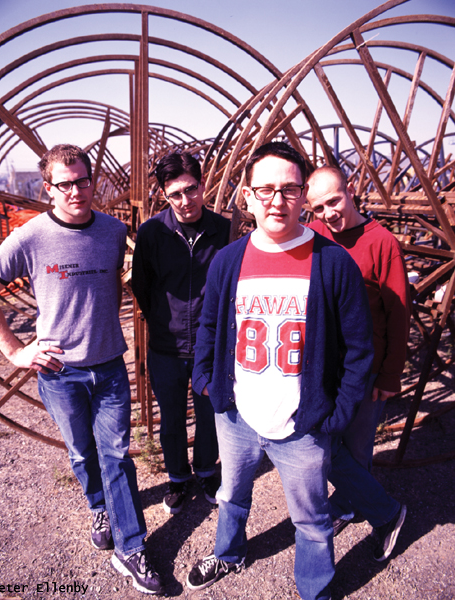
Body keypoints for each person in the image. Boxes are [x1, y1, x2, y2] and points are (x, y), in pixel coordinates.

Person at [185, 142, 374, 600]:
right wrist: (206, 381)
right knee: (231, 495)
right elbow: (209, 326)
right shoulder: (229, 260)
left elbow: (359, 349)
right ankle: (228, 554)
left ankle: (315, 589)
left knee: (311, 519)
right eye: (265, 189)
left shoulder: (332, 262)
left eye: (289, 189)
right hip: (237, 414)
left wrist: (335, 414)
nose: (277, 200)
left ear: (303, 195)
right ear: (247, 197)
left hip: (302, 424)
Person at [0, 145, 163, 595]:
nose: (76, 191)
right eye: (65, 184)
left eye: (82, 181)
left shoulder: (114, 231)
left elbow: (126, 278)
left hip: (110, 366)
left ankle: (131, 547)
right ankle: (99, 507)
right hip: (60, 373)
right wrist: (16, 352)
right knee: (82, 453)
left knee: (116, 455)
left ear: (92, 181)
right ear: (49, 189)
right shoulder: (30, 237)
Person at [307, 165, 410, 560]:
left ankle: (361, 508)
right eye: (319, 208)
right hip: (325, 365)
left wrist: (390, 375)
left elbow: (398, 313)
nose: (329, 213)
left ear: (350, 191)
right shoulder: (314, 236)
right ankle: (357, 504)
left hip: (366, 368)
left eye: (334, 201)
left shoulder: (381, 242)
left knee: (357, 446)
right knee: (325, 445)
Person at [132, 151, 231, 515]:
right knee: (171, 417)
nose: (185, 200)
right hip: (166, 345)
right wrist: (162, 319)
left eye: (191, 190)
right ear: (164, 194)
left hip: (209, 345)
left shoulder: (223, 230)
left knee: (209, 414)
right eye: (175, 194)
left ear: (203, 186)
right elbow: (142, 285)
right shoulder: (152, 232)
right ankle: (177, 478)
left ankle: (205, 472)